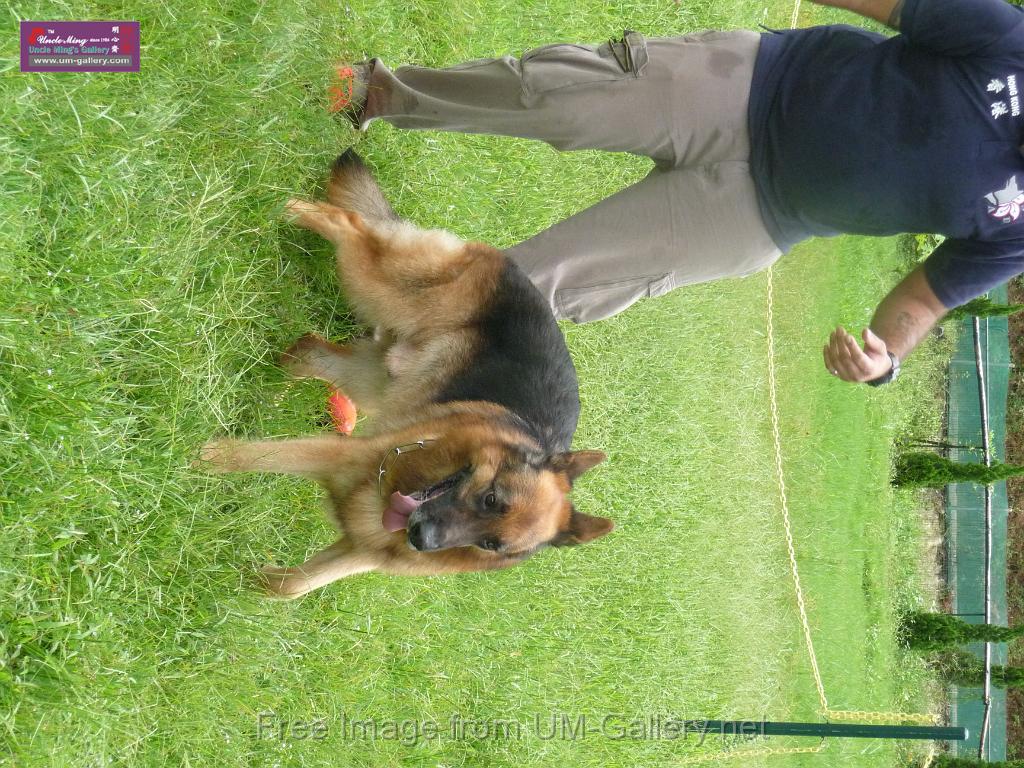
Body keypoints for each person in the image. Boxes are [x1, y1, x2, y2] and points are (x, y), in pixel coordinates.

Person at [329, 0, 1024, 386]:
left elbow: (924, 301)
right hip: (748, 83)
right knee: (553, 97)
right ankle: (381, 92)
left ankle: (380, 351)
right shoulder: (1011, 44)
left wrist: (885, 361)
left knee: (542, 289)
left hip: (759, 217)